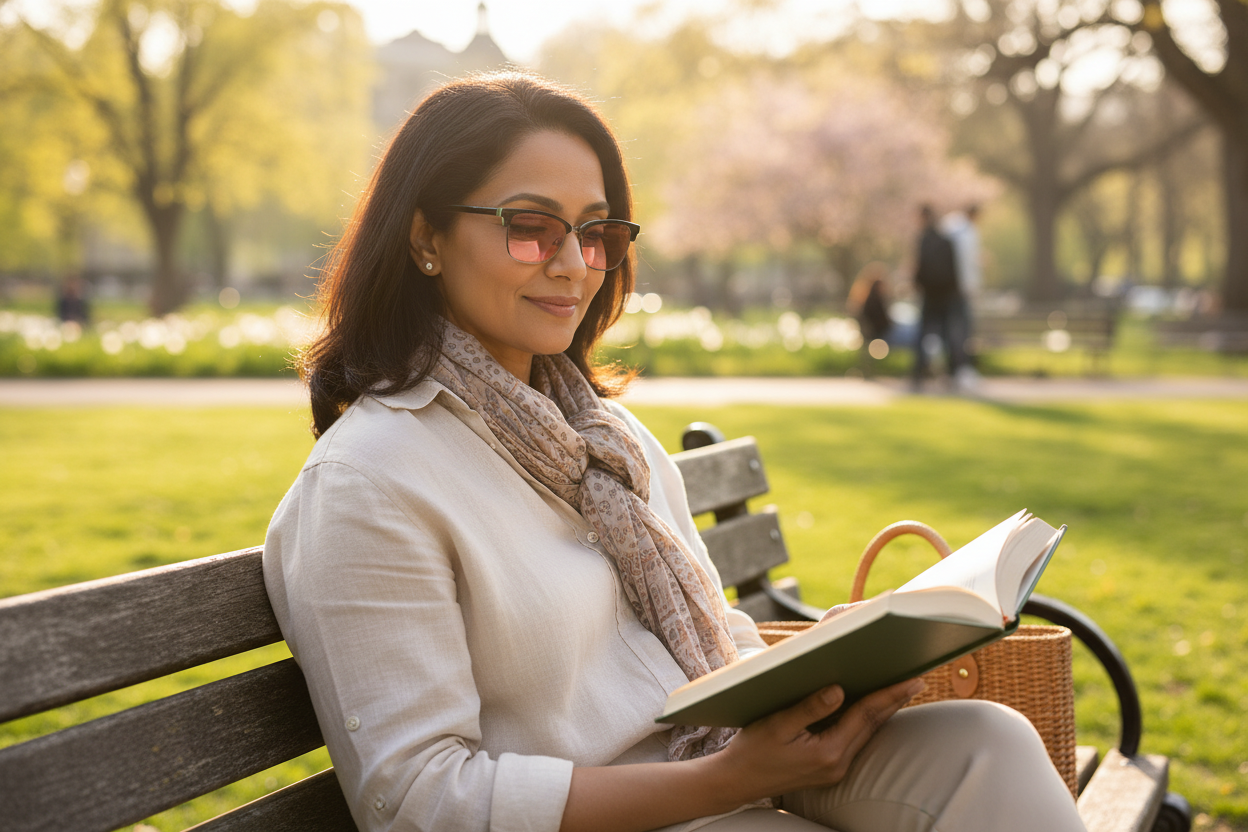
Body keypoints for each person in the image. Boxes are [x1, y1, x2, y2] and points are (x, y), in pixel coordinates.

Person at [263, 71, 1085, 832]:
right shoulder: (369, 483)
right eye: (531, 228)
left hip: (720, 757)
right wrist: (724, 780)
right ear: (425, 239)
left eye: (596, 233)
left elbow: (706, 638)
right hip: (630, 808)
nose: (573, 266)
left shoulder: (607, 440)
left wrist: (826, 655)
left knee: (986, 742)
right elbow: (415, 798)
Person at [910, 204, 967, 391]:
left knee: (923, 334)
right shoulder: (946, 240)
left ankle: (919, 372)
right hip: (946, 295)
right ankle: (951, 372)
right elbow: (954, 269)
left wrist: (917, 285)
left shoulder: (924, 240)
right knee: (947, 334)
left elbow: (918, 266)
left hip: (930, 295)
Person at [941, 205, 983, 386]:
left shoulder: (950, 225)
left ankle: (953, 369)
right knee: (961, 331)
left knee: (951, 331)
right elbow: (966, 263)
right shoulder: (966, 232)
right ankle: (960, 369)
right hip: (960, 290)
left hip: (947, 289)